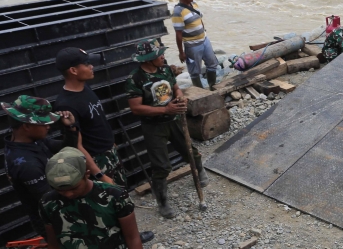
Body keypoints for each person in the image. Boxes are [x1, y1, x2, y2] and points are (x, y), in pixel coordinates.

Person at [2, 95, 106, 236]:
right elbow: (52, 200)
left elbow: (66, 147)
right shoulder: (26, 164)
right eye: (43, 123)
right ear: (26, 125)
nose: (48, 126)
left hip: (63, 212)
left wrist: (70, 128)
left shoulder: (32, 142)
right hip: (58, 221)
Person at [125, 39, 207, 219]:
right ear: (147, 60)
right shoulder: (135, 79)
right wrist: (164, 109)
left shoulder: (166, 70)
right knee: (161, 166)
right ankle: (162, 202)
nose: (163, 57)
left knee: (190, 151)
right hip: (153, 126)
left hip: (175, 120)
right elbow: (136, 108)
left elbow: (176, 88)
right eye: (158, 55)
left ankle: (199, 171)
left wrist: (180, 98)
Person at [54, 47, 127, 188]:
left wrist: (110, 143)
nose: (91, 66)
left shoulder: (85, 88)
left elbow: (97, 120)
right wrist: (100, 175)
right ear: (73, 71)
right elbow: (77, 146)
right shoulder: (66, 105)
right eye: (87, 64)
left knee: (123, 193)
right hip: (96, 161)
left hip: (109, 153)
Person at [171, 0, 220, 90]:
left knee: (212, 64)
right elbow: (178, 34)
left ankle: (212, 86)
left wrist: (203, 31)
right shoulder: (178, 12)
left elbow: (199, 19)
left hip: (204, 40)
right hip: (192, 46)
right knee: (194, 71)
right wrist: (181, 52)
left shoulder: (194, 4)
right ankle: (200, 92)